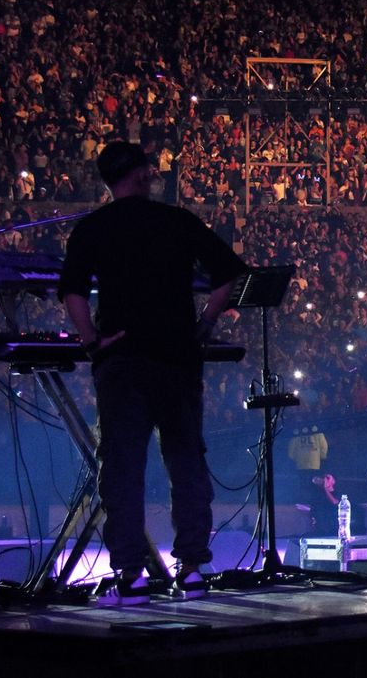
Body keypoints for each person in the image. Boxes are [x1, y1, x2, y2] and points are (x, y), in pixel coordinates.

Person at [58, 141, 247, 605]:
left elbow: (74, 294)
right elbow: (228, 275)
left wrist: (91, 342)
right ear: (143, 175)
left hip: (122, 362)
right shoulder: (177, 221)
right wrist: (204, 325)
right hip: (177, 358)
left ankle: (130, 577)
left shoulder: (93, 228)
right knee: (185, 462)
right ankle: (194, 570)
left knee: (123, 467)